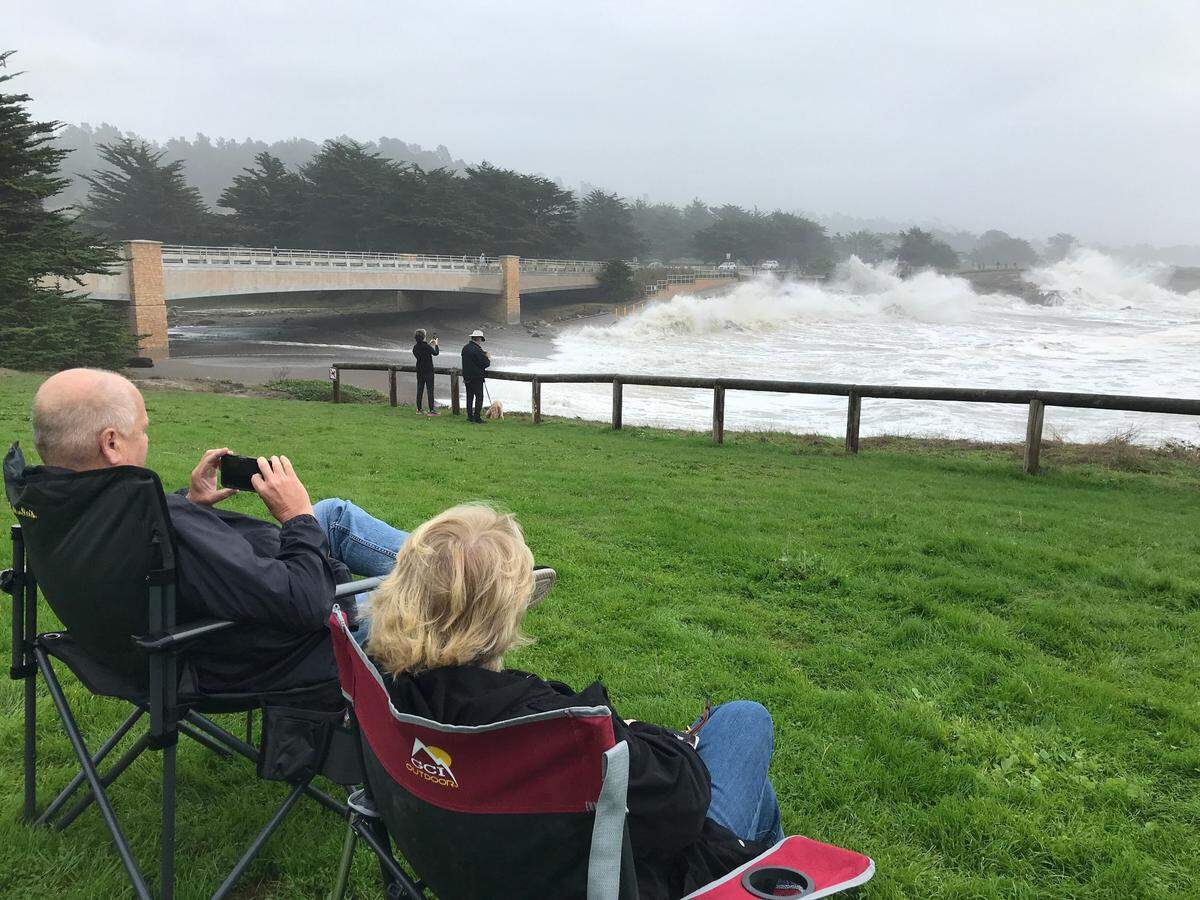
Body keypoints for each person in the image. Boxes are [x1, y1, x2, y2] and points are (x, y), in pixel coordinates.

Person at [363, 504, 783, 899]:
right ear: (501, 620)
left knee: (756, 792)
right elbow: (686, 802)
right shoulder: (553, 732)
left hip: (470, 865)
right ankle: (776, 874)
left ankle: (776, 868)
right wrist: (640, 733)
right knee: (743, 721)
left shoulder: (385, 689)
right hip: (622, 880)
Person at [27, 368, 412, 702]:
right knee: (421, 602)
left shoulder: (67, 508)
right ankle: (461, 580)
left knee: (333, 513)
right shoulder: (165, 526)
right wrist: (295, 517)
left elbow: (170, 554)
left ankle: (457, 566)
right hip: (269, 648)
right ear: (111, 443)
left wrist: (192, 503)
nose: (146, 440)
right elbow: (307, 601)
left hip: (196, 623)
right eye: (141, 431)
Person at [460, 329, 491, 424]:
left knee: (469, 397)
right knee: (479, 397)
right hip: (477, 377)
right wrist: (487, 357)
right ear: (478, 338)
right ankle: (477, 417)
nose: (481, 342)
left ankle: (470, 416)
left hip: (467, 377)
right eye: (481, 339)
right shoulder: (478, 350)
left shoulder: (465, 348)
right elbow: (485, 364)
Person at [411, 328, 440, 416]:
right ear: (423, 337)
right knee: (430, 390)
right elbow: (435, 353)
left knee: (419, 390)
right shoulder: (427, 347)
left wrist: (429, 344)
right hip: (428, 370)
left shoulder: (415, 347)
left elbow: (423, 351)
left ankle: (419, 409)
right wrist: (436, 345)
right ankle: (431, 410)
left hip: (419, 370)